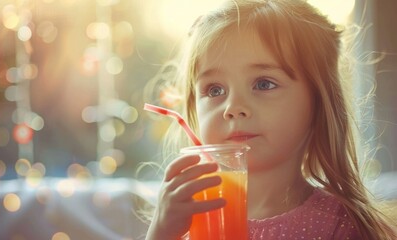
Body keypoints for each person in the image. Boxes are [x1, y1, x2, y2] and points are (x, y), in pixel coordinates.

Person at [144, 0, 397, 239]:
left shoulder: (341, 226)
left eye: (263, 83)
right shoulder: (186, 219)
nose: (232, 108)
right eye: (214, 90)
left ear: (318, 103)